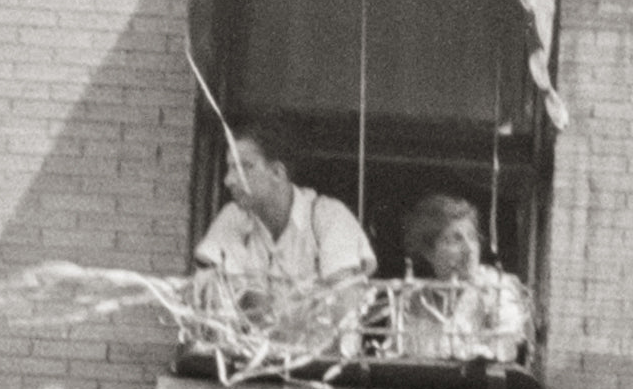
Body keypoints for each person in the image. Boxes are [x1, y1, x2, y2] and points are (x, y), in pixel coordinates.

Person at [179, 114, 377, 374]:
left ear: (277, 172)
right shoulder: (233, 217)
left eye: (242, 167)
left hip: (325, 376)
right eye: (229, 168)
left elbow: (346, 307)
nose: (229, 180)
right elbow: (218, 298)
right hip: (257, 372)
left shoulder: (329, 216)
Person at [398, 193, 533, 363]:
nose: (469, 249)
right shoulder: (414, 300)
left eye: (472, 237)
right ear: (429, 252)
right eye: (455, 239)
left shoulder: (497, 288)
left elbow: (505, 345)